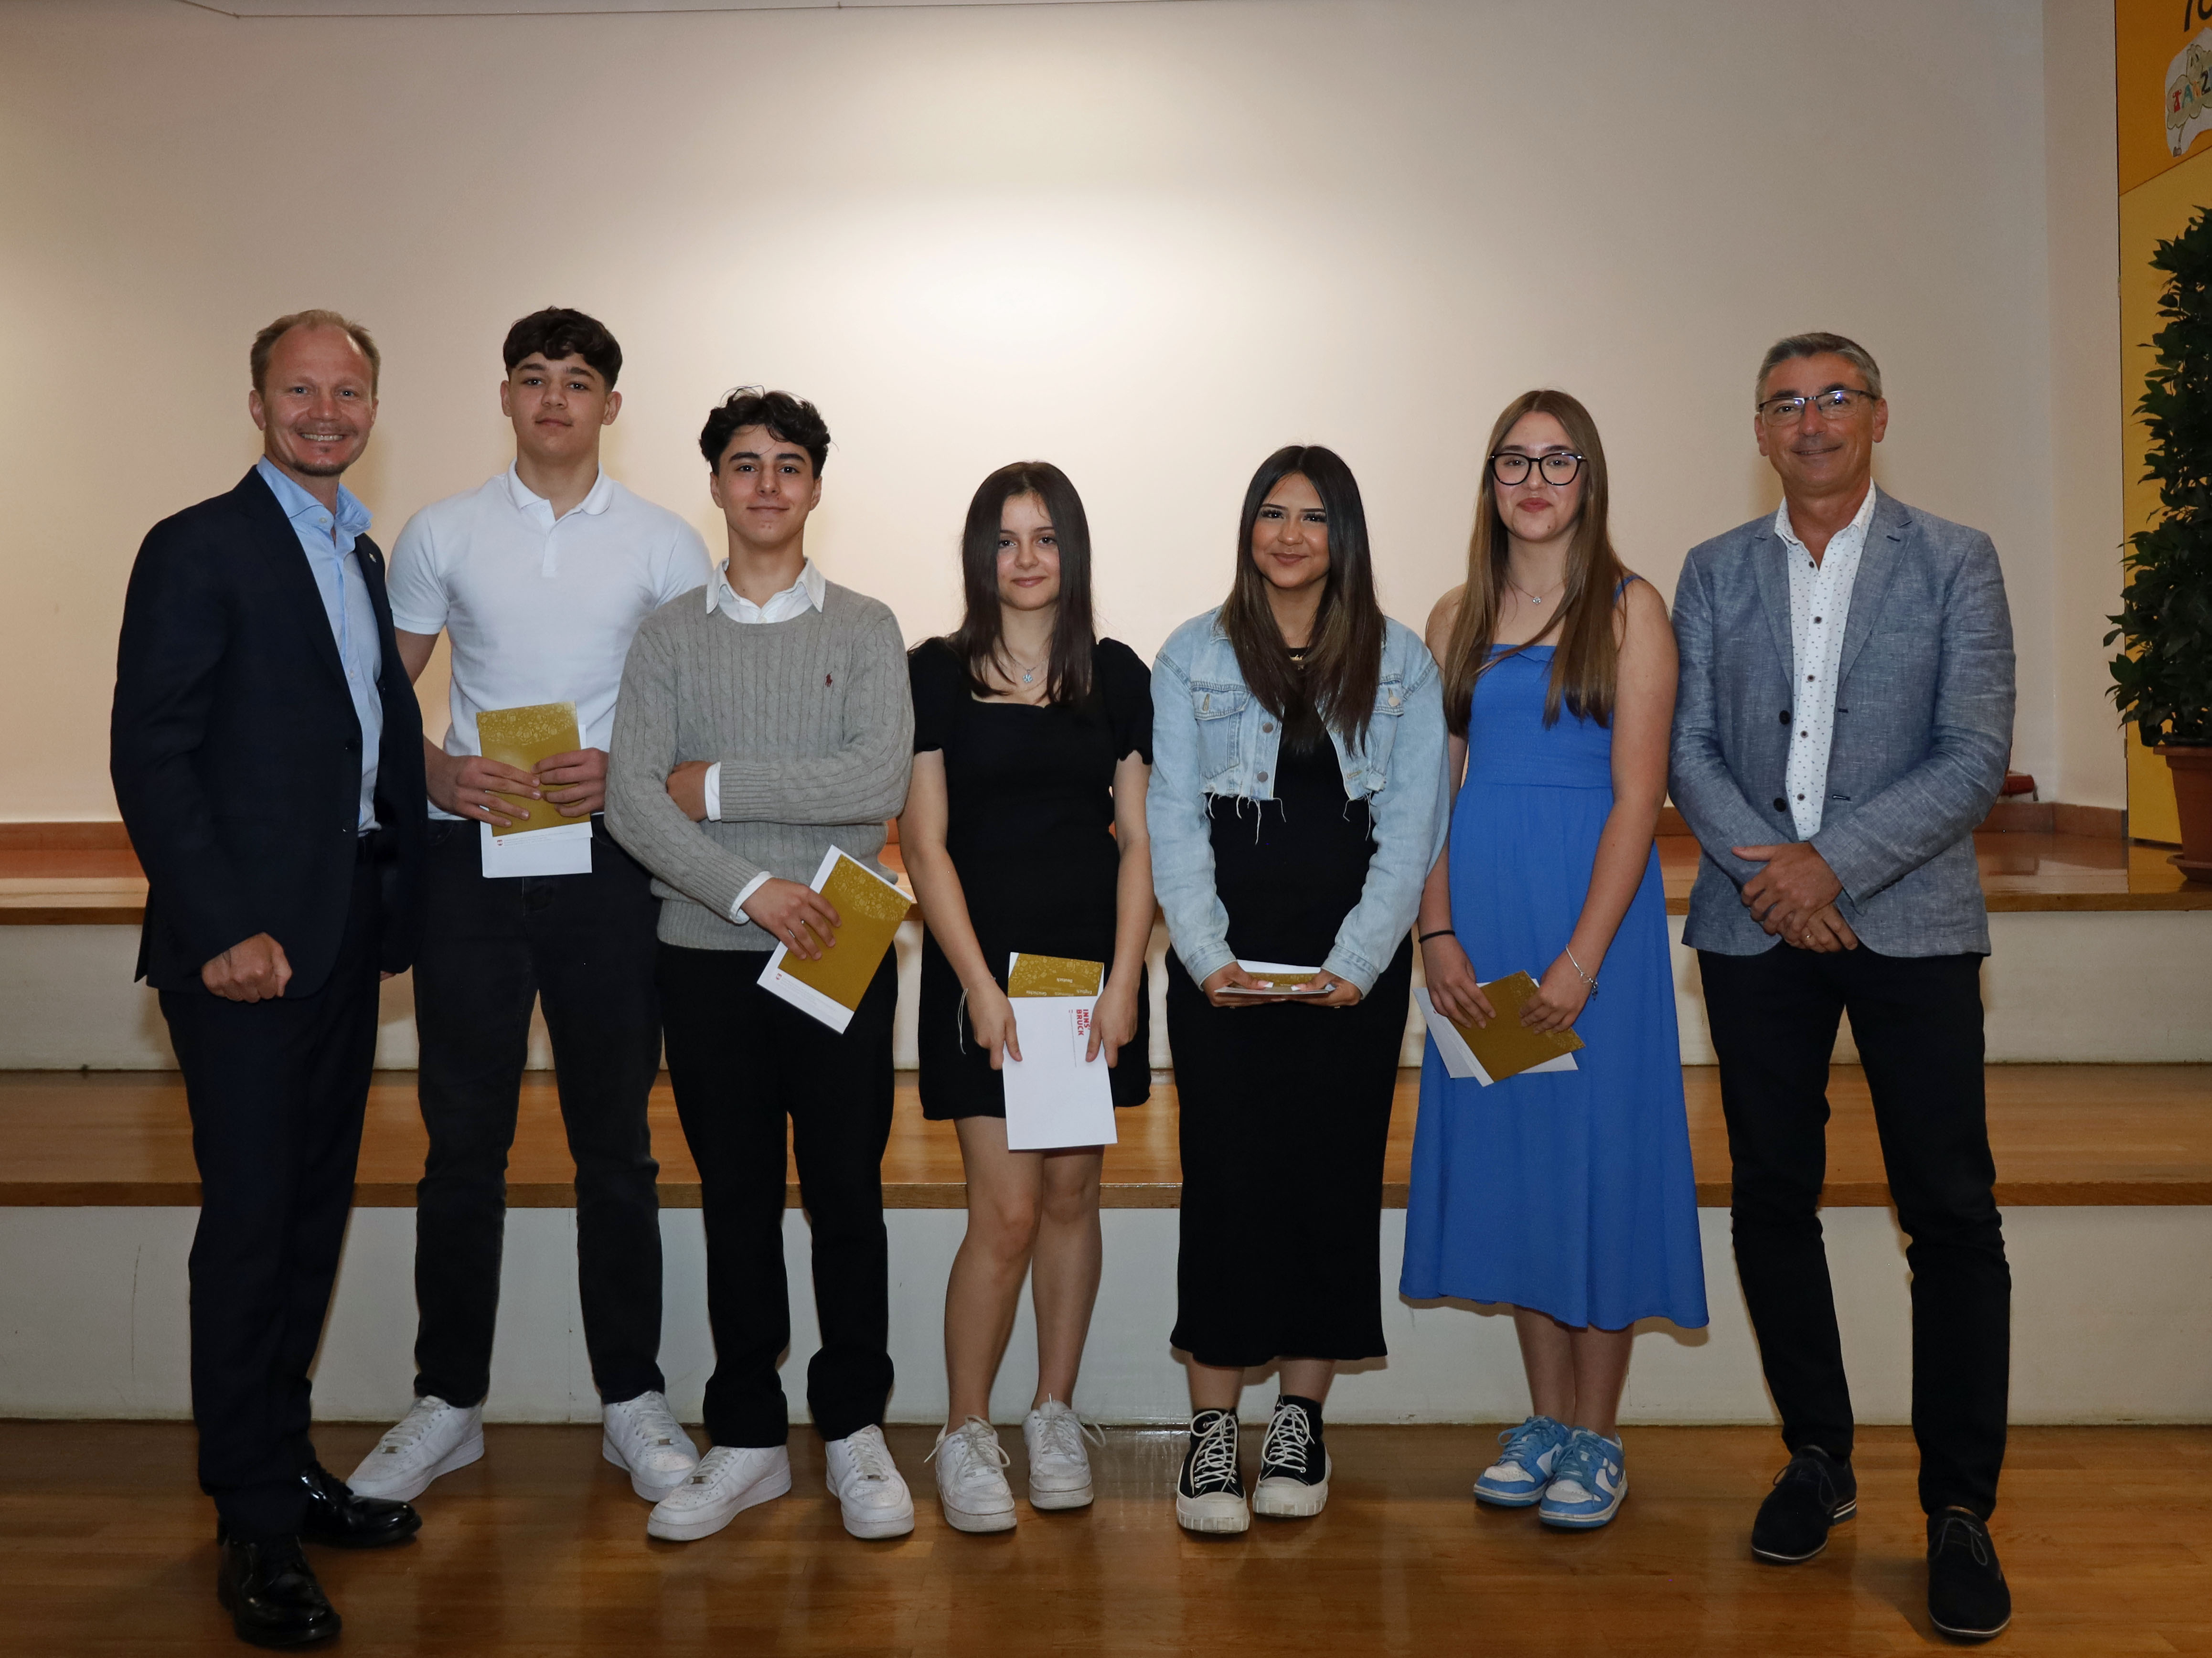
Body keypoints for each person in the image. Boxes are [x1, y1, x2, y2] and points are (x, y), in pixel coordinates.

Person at [1670, 333, 2016, 1642]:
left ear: (1880, 414)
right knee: (1774, 1196)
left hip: (1914, 920)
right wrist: (1776, 878)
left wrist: (1835, 868)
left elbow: (1975, 752)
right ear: (1759, 430)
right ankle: (1817, 1457)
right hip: (1754, 926)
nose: (1811, 422)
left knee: (1952, 1213)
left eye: (1835, 399)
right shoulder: (1713, 573)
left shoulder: (1955, 560)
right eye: (1786, 404)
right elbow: (1690, 746)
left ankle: (1960, 1509)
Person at [348, 308, 712, 1510]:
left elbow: (700, 713)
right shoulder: (442, 531)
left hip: (612, 865)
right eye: (533, 378)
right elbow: (376, 697)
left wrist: (630, 769)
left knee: (617, 1146)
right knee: (462, 1148)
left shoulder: (666, 546)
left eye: (580, 382)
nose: (555, 398)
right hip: (472, 860)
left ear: (613, 407)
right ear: (504, 397)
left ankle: (633, 1399)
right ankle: (447, 1398)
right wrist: (438, 778)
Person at [110, 310, 428, 1647]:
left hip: (345, 924)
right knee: (249, 1227)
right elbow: (152, 752)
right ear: (255, 403)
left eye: (346, 390)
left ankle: (286, 1467)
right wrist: (223, 925)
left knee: (307, 1215)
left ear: (372, 406)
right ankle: (250, 1520)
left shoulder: (355, 549)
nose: (324, 411)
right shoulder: (198, 546)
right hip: (245, 948)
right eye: (299, 389)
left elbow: (362, 736)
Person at [605, 389, 917, 1544]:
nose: (769, 483)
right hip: (706, 949)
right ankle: (746, 1432)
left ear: (817, 486)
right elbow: (636, 798)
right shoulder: (669, 634)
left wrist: (719, 785)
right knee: (735, 1196)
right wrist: (751, 890)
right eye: (746, 464)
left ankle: (852, 1429)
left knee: (848, 1193)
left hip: (846, 944)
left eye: (791, 464)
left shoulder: (868, 627)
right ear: (720, 485)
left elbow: (873, 777)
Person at [1400, 390, 1706, 1531]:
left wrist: (1582, 958)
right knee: (1525, 1161)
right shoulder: (1453, 616)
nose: (1535, 480)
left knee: (1599, 1163)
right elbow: (1430, 790)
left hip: (1594, 932)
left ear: (1591, 478)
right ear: (1489, 481)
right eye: (1514, 461)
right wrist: (1438, 932)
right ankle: (1542, 1420)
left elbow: (1640, 796)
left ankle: (1598, 1433)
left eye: (1558, 460)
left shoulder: (1632, 611)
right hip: (1484, 924)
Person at [1147, 444, 1449, 1535]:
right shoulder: (1191, 654)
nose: (1288, 534)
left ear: (1344, 536)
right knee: (1224, 1180)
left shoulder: (1402, 662)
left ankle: (1302, 1419)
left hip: (1348, 980)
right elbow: (1172, 819)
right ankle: (1212, 1432)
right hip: (1223, 970)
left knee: (1329, 1177)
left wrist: (1360, 960)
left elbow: (1413, 826)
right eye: (1271, 514)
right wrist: (1204, 952)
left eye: (1311, 516)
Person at [898, 462, 1154, 1532]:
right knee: (1001, 1209)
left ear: (1073, 550)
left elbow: (1140, 835)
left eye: (1046, 538)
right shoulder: (935, 671)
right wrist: (975, 984)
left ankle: (1053, 1409)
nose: (1027, 559)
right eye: (1006, 540)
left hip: (1084, 981)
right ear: (980, 556)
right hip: (985, 980)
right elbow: (924, 838)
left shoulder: (1116, 672)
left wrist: (1130, 979)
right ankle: (965, 1427)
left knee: (1069, 1199)